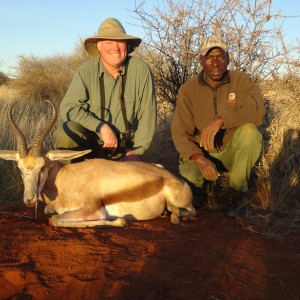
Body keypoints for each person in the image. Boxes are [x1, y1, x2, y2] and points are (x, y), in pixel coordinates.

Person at [171, 35, 265, 218]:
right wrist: (199, 158)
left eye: (220, 57)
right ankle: (206, 190)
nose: (215, 63)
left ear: (228, 59)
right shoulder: (188, 90)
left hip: (231, 151)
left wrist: (221, 119)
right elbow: (180, 132)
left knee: (250, 132)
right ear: (201, 61)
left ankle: (236, 192)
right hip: (203, 152)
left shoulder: (242, 81)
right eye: (209, 57)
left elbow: (256, 112)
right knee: (191, 185)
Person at [54, 18, 156, 161]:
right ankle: (72, 177)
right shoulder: (85, 71)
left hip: (125, 148)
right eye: (109, 42)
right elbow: (69, 108)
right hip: (92, 144)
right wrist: (102, 127)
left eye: (120, 42)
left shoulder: (141, 69)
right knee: (66, 131)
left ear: (127, 45)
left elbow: (147, 113)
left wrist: (136, 151)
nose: (115, 48)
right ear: (99, 46)